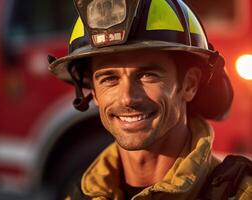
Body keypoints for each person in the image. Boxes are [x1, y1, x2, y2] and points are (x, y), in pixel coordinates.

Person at [48, 0, 252, 199]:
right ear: (94, 92)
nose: (127, 98)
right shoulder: (83, 195)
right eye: (110, 79)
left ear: (189, 85)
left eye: (148, 75)